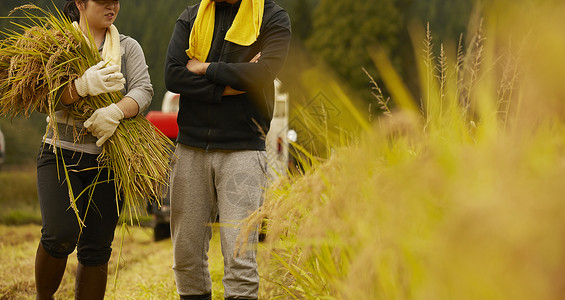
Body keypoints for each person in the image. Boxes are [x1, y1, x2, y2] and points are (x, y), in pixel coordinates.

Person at [164, 0, 291, 299]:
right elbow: (173, 76)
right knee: (186, 256)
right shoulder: (192, 17)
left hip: (243, 149)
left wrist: (204, 68)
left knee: (239, 258)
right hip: (191, 147)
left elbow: (261, 76)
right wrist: (228, 86)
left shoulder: (272, 18)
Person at [34, 0, 153, 299]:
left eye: (116, 1)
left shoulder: (128, 47)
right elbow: (40, 97)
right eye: (103, 1)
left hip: (109, 158)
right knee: (60, 234)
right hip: (59, 153)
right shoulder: (59, 43)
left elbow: (143, 90)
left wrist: (116, 111)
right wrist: (80, 87)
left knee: (97, 247)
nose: (112, 6)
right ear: (80, 3)